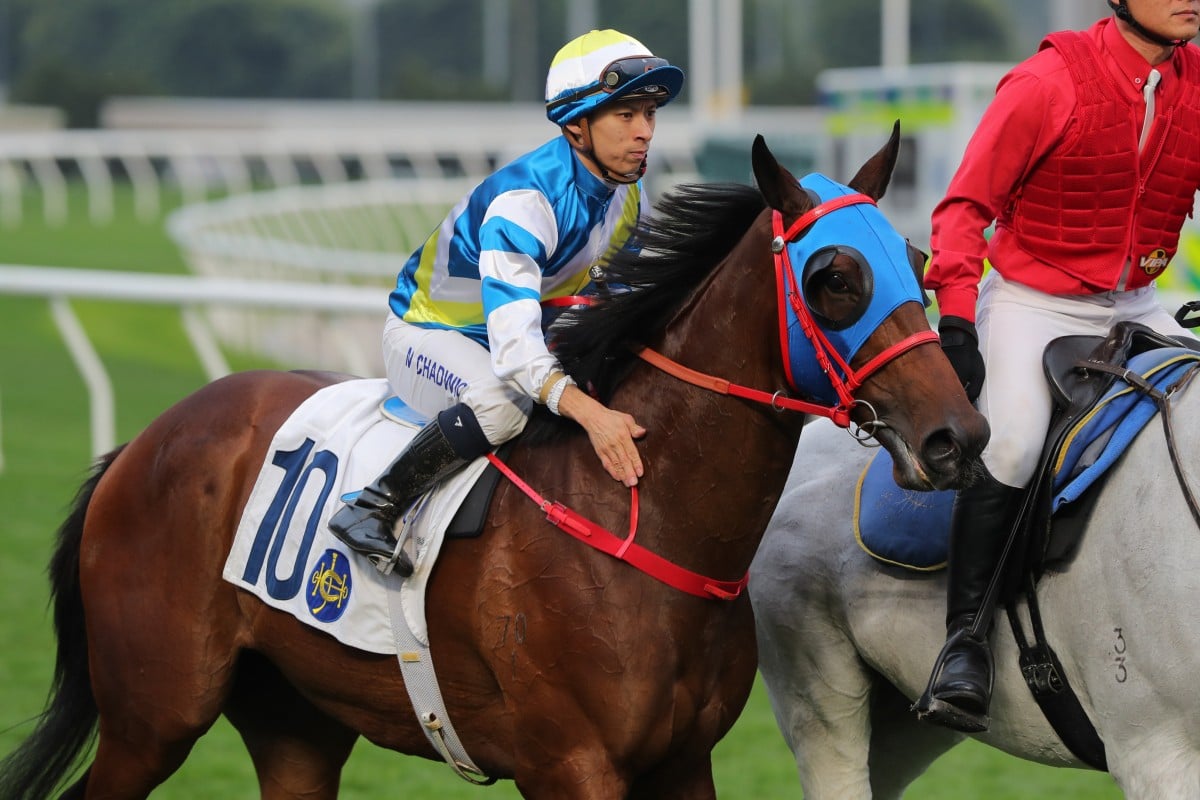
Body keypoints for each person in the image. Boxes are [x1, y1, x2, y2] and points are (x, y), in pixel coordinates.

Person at [921, 0, 1200, 732]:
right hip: (1032, 300)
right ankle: (965, 641)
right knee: (1011, 441)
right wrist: (955, 316)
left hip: (1139, 301)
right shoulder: (1048, 81)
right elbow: (962, 208)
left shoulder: (1196, 85)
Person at [329, 29, 685, 573]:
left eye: (650, 115)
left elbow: (621, 300)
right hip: (431, 334)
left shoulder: (626, 191)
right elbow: (517, 356)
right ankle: (375, 505)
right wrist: (592, 415)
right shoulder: (526, 202)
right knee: (504, 404)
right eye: (625, 116)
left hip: (525, 328)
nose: (644, 134)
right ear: (576, 124)